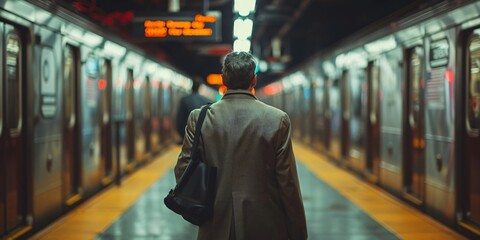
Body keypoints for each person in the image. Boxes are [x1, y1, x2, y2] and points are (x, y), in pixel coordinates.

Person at [174, 51, 308, 240]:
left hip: (214, 222)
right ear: (253, 80)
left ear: (223, 79)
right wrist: (299, 231)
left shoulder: (199, 118)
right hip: (265, 225)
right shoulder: (277, 119)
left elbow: (182, 170)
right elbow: (288, 183)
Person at [175, 77, 210, 143]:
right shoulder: (205, 101)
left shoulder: (184, 100)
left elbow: (179, 120)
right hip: (200, 137)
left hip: (186, 136)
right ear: (200, 87)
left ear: (192, 86)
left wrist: (183, 136)